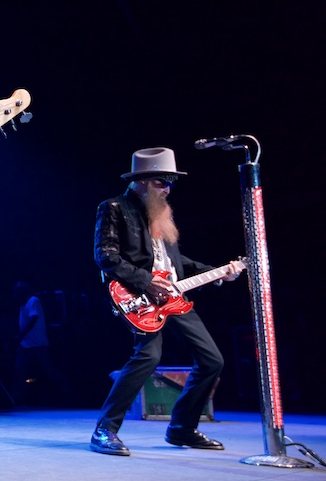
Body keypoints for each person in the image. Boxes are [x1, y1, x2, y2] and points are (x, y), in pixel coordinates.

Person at [90, 147, 240, 456]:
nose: (168, 188)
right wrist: (145, 281)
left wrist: (218, 272)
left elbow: (176, 263)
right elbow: (106, 256)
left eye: (171, 181)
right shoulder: (115, 208)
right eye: (162, 181)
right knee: (148, 357)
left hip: (174, 298)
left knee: (213, 361)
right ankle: (105, 430)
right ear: (142, 181)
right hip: (139, 296)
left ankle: (182, 429)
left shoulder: (160, 213)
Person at [11, 281, 65, 406]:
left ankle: (67, 393)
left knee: (49, 369)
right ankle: (15, 398)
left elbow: (33, 319)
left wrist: (20, 336)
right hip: (26, 344)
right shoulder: (23, 304)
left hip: (37, 343)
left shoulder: (33, 301)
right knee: (19, 371)